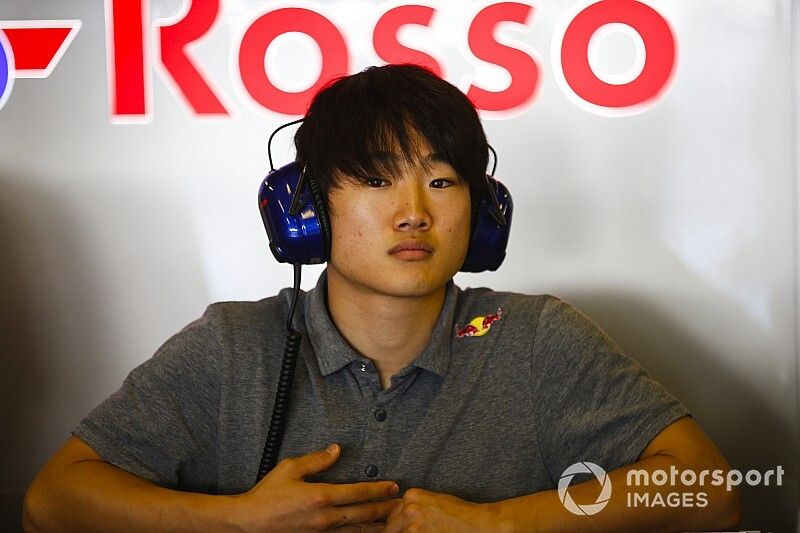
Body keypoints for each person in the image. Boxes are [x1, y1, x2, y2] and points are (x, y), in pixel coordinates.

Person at [23, 64, 741, 532]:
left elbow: (708, 488)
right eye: (375, 180)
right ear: (304, 209)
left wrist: (503, 524)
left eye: (440, 181)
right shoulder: (232, 345)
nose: (413, 213)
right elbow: (51, 501)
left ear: (483, 210)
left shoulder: (536, 338)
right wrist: (237, 520)